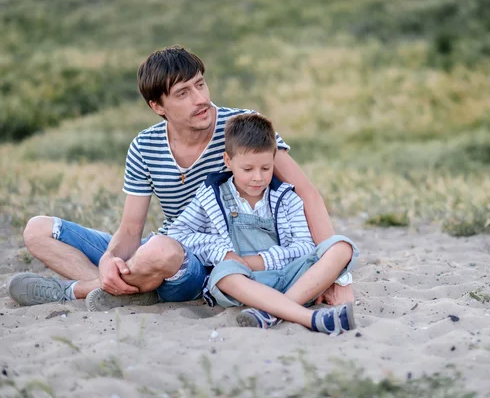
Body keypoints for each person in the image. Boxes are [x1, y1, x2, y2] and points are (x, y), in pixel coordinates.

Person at [7, 45, 354, 310]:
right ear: (158, 106)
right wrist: (112, 260)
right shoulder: (144, 145)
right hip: (165, 245)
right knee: (38, 229)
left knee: (161, 252)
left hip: (205, 264)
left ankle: (75, 290)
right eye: (183, 93)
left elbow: (307, 193)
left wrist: (337, 275)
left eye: (200, 85)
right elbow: (130, 231)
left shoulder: (242, 127)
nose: (201, 99)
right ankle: (125, 289)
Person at [168, 113, 358, 334]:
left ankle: (271, 313)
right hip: (244, 283)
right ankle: (305, 316)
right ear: (228, 161)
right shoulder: (212, 196)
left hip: (289, 278)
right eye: (248, 169)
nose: (257, 177)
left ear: (274, 159)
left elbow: (305, 246)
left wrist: (259, 261)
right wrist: (223, 253)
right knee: (223, 273)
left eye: (266, 168)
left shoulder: (286, 198)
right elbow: (177, 234)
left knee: (341, 247)